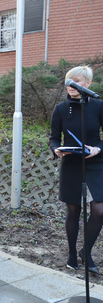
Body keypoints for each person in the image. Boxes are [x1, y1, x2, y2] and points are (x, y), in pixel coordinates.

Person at [49, 66, 103, 274]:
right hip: (71, 163)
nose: (71, 85)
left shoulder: (99, 106)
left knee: (99, 210)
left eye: (77, 81)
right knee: (73, 211)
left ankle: (86, 251)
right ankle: (72, 252)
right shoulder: (61, 109)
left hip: (95, 162)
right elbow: (54, 138)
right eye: (69, 81)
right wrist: (56, 149)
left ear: (88, 84)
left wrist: (98, 148)